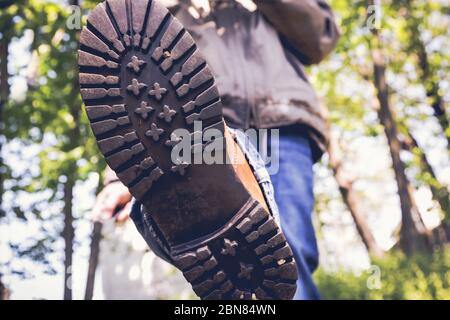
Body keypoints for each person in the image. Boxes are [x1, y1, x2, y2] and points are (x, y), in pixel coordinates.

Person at [87, 0, 339, 300]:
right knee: (221, 253)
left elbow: (319, 38)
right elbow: (139, 87)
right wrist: (119, 179)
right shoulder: (161, 7)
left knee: (283, 257)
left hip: (281, 125)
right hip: (204, 136)